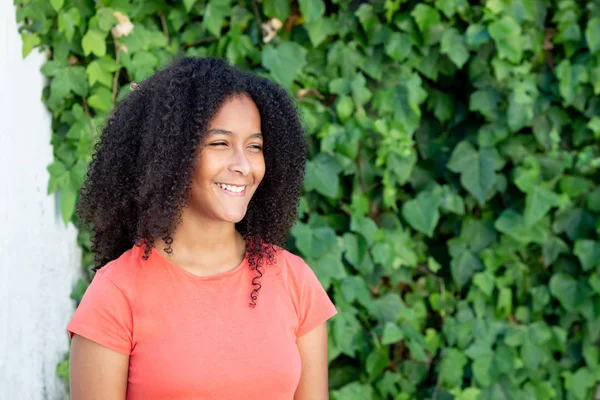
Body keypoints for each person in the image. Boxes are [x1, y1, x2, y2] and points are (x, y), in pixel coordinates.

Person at [66, 56, 338, 400]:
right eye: (220, 143)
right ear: (172, 155)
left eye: (254, 146)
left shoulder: (295, 281)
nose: (243, 165)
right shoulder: (116, 295)